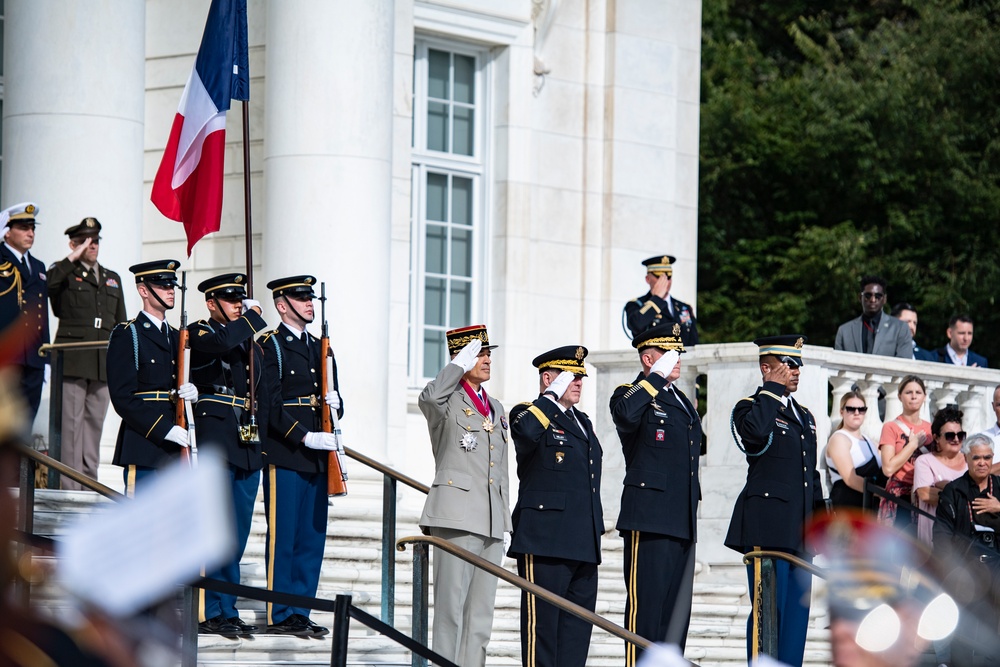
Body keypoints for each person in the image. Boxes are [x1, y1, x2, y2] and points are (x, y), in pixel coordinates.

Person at [725, 334, 823, 667]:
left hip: (800, 535)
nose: (796, 371)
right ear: (767, 368)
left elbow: (812, 475)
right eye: (789, 365)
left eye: (798, 365)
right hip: (769, 532)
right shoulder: (751, 407)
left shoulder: (806, 416)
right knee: (769, 618)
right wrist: (772, 390)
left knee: (796, 624)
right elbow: (753, 435)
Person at [417, 324, 511, 667]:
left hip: (490, 521)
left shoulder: (497, 408)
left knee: (480, 618)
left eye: (488, 353)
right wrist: (456, 366)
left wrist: (505, 520)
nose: (487, 360)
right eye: (480, 354)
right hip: (456, 518)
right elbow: (428, 399)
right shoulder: (446, 402)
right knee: (450, 613)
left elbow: (500, 468)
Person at [189, 273, 275, 638]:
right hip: (216, 438)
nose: (238, 304)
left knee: (237, 531)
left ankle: (228, 606)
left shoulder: (249, 343)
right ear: (212, 303)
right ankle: (210, 609)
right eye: (230, 299)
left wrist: (266, 443)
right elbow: (220, 344)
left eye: (241, 299)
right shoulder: (200, 331)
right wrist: (252, 319)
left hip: (247, 441)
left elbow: (265, 392)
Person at [610, 323, 701, 663]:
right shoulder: (630, 393)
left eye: (679, 352)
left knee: (676, 621)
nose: (677, 359)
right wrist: (654, 379)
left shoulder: (680, 400)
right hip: (648, 518)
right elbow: (624, 415)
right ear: (648, 358)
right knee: (645, 615)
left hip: (681, 519)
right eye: (668, 353)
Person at [507, 345, 602, 667]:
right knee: (542, 631)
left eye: (580, 378)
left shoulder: (583, 421)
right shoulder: (527, 412)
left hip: (583, 539)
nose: (578, 382)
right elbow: (527, 432)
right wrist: (549, 396)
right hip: (545, 537)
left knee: (577, 632)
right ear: (548, 378)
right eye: (570, 377)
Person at [260, 275, 343, 638]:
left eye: (310, 298)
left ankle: (301, 609)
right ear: (282, 305)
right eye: (301, 298)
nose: (309, 304)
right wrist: (304, 436)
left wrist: (338, 409)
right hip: (287, 451)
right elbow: (270, 404)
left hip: (317, 455)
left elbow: (334, 397)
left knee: (312, 536)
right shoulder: (270, 345)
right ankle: (281, 611)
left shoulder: (320, 347)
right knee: (285, 536)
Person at [47, 217, 127, 490]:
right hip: (72, 360)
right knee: (71, 427)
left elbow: (120, 325)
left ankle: (89, 484)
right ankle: (70, 487)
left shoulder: (112, 278)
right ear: (74, 244)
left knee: (94, 425)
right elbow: (48, 285)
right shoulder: (63, 272)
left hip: (102, 361)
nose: (92, 245)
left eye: (95, 240)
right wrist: (74, 256)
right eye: (85, 241)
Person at [107, 260, 197, 496]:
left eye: (172, 285)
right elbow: (122, 397)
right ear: (144, 290)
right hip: (144, 443)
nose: (170, 290)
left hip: (177, 446)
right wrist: (164, 429)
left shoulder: (178, 337)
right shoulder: (129, 334)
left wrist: (194, 392)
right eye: (163, 285)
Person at [934, 434, 1000, 665]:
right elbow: (941, 535)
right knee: (963, 630)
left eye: (987, 457)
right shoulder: (954, 490)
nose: (982, 462)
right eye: (977, 458)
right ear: (967, 458)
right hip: (965, 563)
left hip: (997, 562)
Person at [0, 202, 49, 427]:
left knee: (26, 424)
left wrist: (45, 356)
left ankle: (23, 465)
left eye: (32, 228)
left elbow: (42, 314)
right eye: (23, 227)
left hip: (33, 357)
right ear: (7, 231)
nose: (30, 233)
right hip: (7, 356)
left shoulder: (38, 266)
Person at [877, 375, 933, 531]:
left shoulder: (932, 428)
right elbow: (888, 468)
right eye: (908, 392)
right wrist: (913, 444)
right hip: (900, 497)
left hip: (926, 495)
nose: (914, 396)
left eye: (918, 392)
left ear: (924, 396)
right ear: (899, 396)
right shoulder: (890, 427)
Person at [912, 408, 969, 545]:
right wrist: (966, 493)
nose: (956, 439)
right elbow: (926, 495)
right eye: (950, 435)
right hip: (934, 542)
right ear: (936, 437)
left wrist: (946, 487)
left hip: (965, 543)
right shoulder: (925, 461)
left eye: (960, 435)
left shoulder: (970, 460)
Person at [622, 255, 698, 346]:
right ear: (648, 279)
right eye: (659, 277)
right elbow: (636, 326)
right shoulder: (637, 304)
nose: (665, 281)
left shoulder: (683, 307)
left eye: (668, 277)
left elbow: (694, 342)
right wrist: (656, 299)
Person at [824, 392, 882, 510]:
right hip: (848, 505)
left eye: (861, 409)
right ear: (841, 412)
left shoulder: (870, 441)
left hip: (871, 506)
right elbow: (851, 479)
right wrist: (884, 494)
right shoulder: (839, 438)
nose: (857, 413)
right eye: (851, 409)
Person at [834, 276, 912, 358]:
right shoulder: (844, 331)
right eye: (868, 295)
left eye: (878, 296)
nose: (873, 300)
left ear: (884, 299)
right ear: (860, 297)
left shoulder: (900, 328)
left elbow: (904, 364)